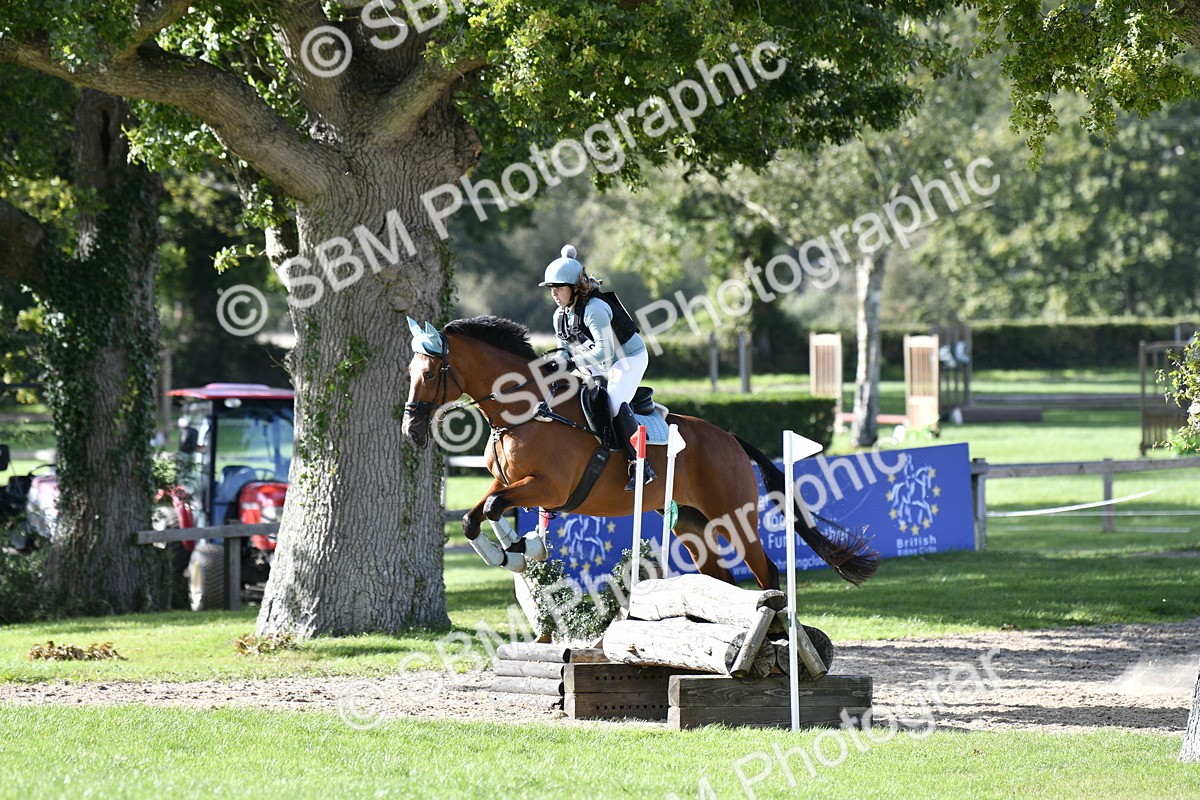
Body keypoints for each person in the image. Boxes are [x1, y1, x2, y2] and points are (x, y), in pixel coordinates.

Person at [539, 244, 656, 491]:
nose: (554, 294)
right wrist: (554, 364)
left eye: (558, 289)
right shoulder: (560, 315)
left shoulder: (595, 309)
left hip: (627, 359)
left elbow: (606, 351)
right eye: (552, 289)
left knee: (612, 402)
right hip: (597, 363)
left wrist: (571, 362)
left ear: (574, 288)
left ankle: (641, 465)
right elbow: (564, 350)